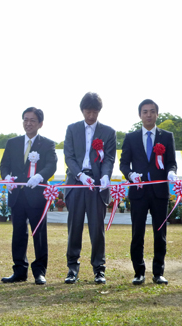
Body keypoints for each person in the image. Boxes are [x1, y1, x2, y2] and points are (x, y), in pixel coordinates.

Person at [119, 99, 178, 286]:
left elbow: (171, 162)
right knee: (138, 233)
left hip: (160, 192)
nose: (149, 115)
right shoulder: (131, 137)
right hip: (138, 192)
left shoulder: (167, 136)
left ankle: (158, 272)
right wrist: (130, 174)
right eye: (145, 112)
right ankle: (138, 272)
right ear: (140, 115)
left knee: (160, 233)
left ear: (157, 114)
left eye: (152, 111)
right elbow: (123, 163)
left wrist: (171, 172)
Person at [0, 107, 57, 285]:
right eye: (25, 119)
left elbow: (51, 165)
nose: (28, 123)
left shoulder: (47, 144)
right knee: (18, 234)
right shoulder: (12, 143)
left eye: (32, 120)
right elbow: (4, 165)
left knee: (38, 234)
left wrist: (40, 176)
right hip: (17, 195)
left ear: (40, 124)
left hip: (37, 196)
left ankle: (39, 272)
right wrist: (7, 177)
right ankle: (19, 271)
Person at [63, 92, 116, 284]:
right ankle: (72, 268)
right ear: (82, 110)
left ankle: (99, 269)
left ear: (99, 111)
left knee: (97, 229)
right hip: (76, 183)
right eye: (87, 111)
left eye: (94, 112)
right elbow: (68, 156)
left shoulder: (108, 132)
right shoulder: (72, 129)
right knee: (74, 227)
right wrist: (80, 175)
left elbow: (109, 158)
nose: (91, 116)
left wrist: (104, 176)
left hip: (97, 184)